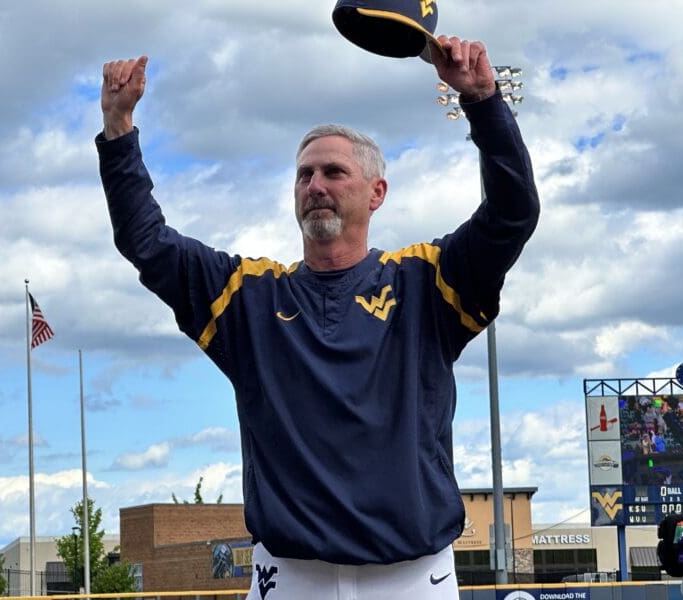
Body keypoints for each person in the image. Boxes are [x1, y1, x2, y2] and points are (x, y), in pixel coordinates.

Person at [97, 34, 539, 599]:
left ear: (377, 192)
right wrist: (118, 130)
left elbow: (512, 213)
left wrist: (483, 102)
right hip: (288, 577)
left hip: (412, 578)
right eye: (304, 176)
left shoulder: (425, 281)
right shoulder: (248, 296)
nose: (316, 186)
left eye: (333, 172)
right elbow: (146, 241)